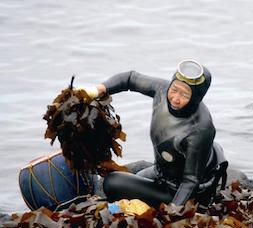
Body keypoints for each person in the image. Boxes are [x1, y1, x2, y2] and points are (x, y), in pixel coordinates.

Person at [82, 60, 228, 211]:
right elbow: (130, 79)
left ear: (197, 97)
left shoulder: (201, 129)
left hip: (185, 192)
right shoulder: (162, 89)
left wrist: (172, 213)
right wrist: (97, 90)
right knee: (124, 181)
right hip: (161, 172)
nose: (176, 99)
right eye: (175, 90)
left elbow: (191, 181)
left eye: (185, 94)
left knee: (112, 183)